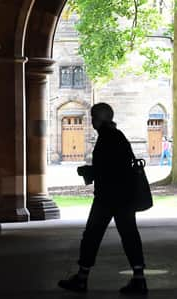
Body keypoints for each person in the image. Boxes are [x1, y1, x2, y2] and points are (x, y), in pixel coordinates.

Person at [58, 102, 147, 295]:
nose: (92, 121)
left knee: (91, 235)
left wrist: (88, 171)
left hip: (108, 197)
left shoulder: (107, 137)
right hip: (124, 197)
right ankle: (139, 278)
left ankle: (82, 278)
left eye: (93, 117)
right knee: (129, 235)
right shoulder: (117, 136)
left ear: (100, 119)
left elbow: (108, 168)